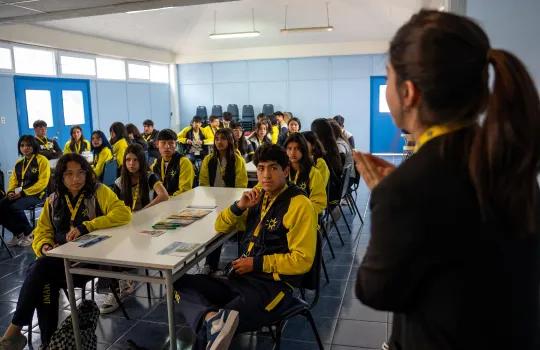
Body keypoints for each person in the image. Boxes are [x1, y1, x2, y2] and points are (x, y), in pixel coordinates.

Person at [354, 10, 540, 350]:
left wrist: (387, 200)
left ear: (408, 93)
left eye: (388, 79)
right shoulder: (508, 164)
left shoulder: (405, 189)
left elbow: (375, 290)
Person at [172, 144, 317, 350]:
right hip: (240, 279)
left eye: (273, 168)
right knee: (179, 282)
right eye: (261, 168)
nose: (266, 175)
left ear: (286, 171)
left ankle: (212, 324)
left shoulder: (299, 204)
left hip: (273, 288)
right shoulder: (257, 195)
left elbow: (302, 260)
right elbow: (220, 225)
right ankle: (211, 318)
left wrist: (255, 264)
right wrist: (238, 207)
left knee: (211, 331)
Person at [0, 153, 131, 349]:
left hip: (88, 261)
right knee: (44, 276)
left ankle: (15, 332)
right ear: (61, 177)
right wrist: (44, 246)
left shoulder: (99, 191)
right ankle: (47, 343)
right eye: (69, 174)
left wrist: (88, 226)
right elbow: (42, 232)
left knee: (40, 270)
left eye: (80, 173)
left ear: (87, 174)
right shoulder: (53, 199)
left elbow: (123, 213)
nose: (76, 179)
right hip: (58, 262)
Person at [96, 143, 169, 314]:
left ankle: (123, 281)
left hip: (147, 225)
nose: (131, 163)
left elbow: (164, 195)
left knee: (125, 246)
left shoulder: (150, 177)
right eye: (128, 160)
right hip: (126, 224)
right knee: (109, 246)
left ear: (141, 162)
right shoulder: (120, 182)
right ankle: (116, 286)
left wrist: (144, 210)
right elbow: (111, 205)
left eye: (135, 160)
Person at [2, 135, 50, 247]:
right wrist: (10, 192)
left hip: (37, 194)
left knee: (14, 207)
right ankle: (18, 233)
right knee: (1, 205)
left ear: (34, 145)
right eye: (22, 145)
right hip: (20, 194)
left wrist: (23, 193)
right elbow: (13, 180)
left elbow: (42, 183)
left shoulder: (42, 160)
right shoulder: (19, 163)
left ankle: (29, 233)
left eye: (28, 145)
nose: (25, 148)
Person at [284, 133, 326, 215]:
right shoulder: (281, 169)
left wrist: (302, 213)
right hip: (283, 214)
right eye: (289, 148)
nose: (292, 152)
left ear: (304, 150)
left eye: (297, 149)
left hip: (304, 216)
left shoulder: (313, 172)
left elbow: (319, 203)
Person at [151, 129, 195, 196]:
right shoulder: (156, 163)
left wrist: (164, 200)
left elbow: (184, 191)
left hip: (179, 203)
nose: (167, 147)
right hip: (160, 203)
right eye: (163, 143)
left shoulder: (184, 162)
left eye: (171, 143)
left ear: (176, 144)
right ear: (157, 144)